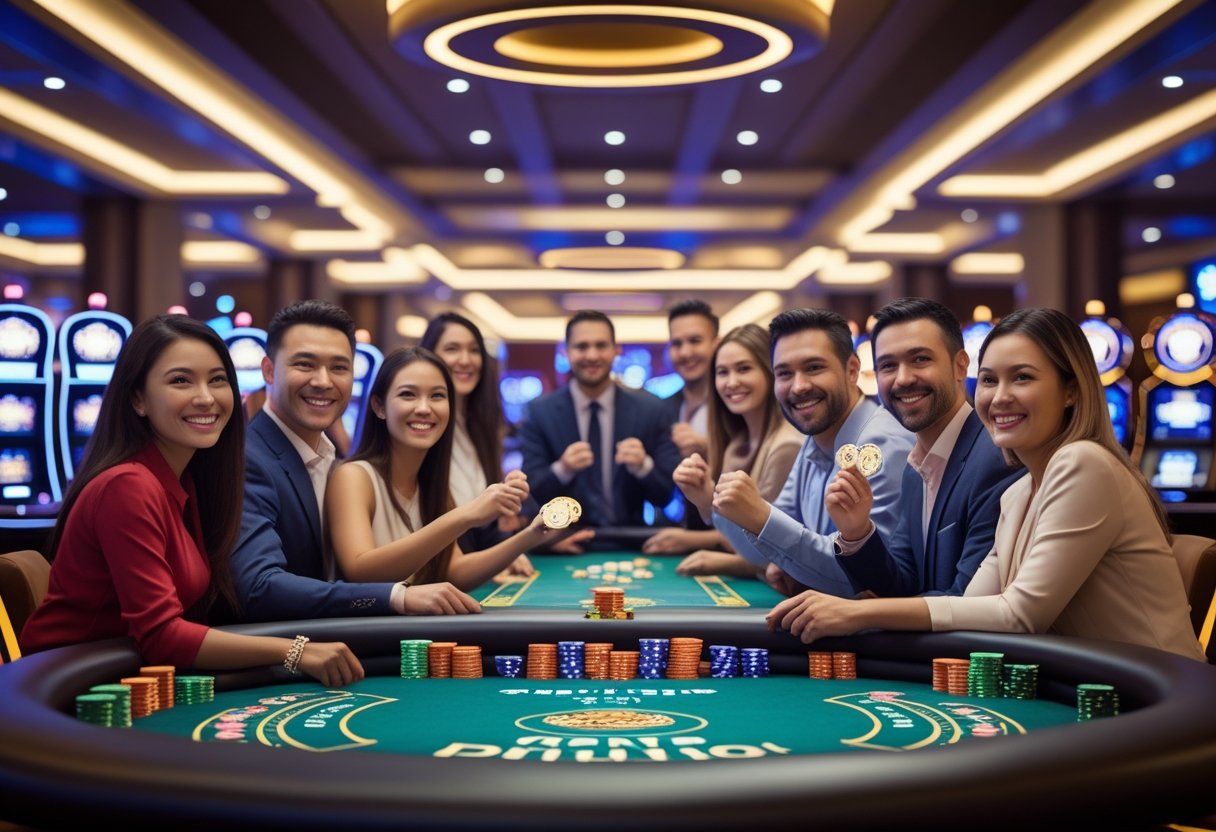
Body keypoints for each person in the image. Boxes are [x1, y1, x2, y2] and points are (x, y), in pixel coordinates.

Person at [769, 307, 1207, 662]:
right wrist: (857, 542)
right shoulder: (1020, 491)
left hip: (1162, 698)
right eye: (992, 380)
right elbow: (973, 603)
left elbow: (1018, 614)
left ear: (1071, 390)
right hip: (1097, 684)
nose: (999, 398)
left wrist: (855, 614)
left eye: (1023, 378)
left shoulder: (1084, 463)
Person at [20, 314, 363, 686]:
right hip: (62, 697)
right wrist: (295, 650)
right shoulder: (127, 485)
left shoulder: (189, 481)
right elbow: (162, 635)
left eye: (217, 380)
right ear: (138, 398)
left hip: (130, 682)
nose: (205, 398)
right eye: (181, 380)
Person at [229, 300, 477, 622]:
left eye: (339, 367)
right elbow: (259, 586)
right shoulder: (249, 460)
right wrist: (396, 595)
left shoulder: (329, 457)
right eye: (305, 364)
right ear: (268, 370)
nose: (323, 381)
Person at [676, 308, 914, 597]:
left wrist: (761, 517)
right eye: (785, 373)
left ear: (852, 370)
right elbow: (768, 552)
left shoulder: (880, 444)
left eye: (814, 367)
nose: (799, 386)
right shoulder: (816, 436)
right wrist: (712, 502)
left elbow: (867, 580)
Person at [326, 347, 571, 589]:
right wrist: (466, 515)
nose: (424, 408)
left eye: (437, 396)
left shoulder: (430, 483)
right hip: (368, 629)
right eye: (408, 395)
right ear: (379, 407)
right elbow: (359, 570)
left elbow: (455, 570)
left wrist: (531, 534)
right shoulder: (354, 476)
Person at [827, 298, 1025, 596]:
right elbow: (901, 583)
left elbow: (967, 601)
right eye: (888, 366)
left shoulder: (998, 458)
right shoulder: (914, 468)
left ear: (960, 365)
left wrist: (862, 615)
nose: (903, 379)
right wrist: (857, 533)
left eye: (920, 359)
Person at [418, 312, 593, 558]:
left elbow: (479, 532)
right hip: (433, 575)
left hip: (468, 569)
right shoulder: (422, 430)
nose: (466, 360)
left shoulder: (477, 428)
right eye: (452, 349)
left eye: (474, 350)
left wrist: (531, 543)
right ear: (429, 356)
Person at [643, 324, 802, 577]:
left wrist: (706, 504)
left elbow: (775, 552)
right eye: (722, 372)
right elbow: (738, 533)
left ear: (771, 371)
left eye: (744, 369)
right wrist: (703, 495)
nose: (732, 382)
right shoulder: (736, 443)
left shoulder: (787, 446)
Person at [518, 310, 682, 532]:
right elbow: (532, 494)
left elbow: (664, 496)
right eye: (582, 347)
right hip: (565, 541)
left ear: (616, 350)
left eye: (601, 345)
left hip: (633, 541)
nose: (592, 355)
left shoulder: (651, 409)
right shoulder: (540, 412)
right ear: (566, 352)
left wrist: (644, 466)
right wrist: (562, 469)